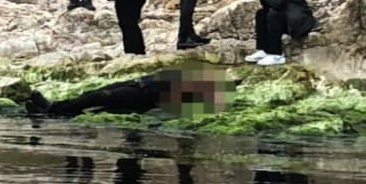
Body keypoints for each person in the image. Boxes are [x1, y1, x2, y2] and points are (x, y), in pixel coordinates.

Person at [25, 68, 239, 118]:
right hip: (138, 83)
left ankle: (52, 109)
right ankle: (57, 108)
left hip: (140, 96)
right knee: (94, 93)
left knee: (97, 99)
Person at [245, 0, 317, 66]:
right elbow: (266, 6)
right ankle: (263, 50)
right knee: (261, 13)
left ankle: (276, 54)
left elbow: (278, 5)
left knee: (274, 14)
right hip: (285, 17)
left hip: (299, 19)